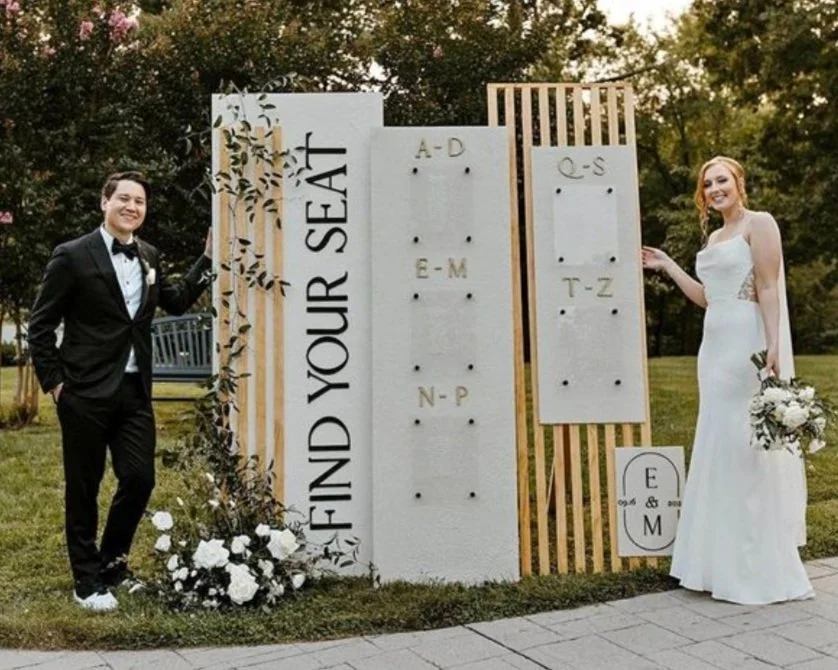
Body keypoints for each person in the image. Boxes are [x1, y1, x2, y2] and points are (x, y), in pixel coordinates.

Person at [28, 171, 212, 611]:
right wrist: (55, 384)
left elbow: (176, 299)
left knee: (139, 478)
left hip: (133, 392)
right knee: (84, 487)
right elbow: (40, 324)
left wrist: (207, 261)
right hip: (84, 393)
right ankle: (86, 582)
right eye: (124, 199)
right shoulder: (72, 256)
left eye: (140, 202)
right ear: (104, 202)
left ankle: (113, 564)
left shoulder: (148, 253)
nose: (133, 207)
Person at [642, 156, 812, 605]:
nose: (716, 188)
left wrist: (773, 344)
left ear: (739, 182)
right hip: (713, 349)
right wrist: (668, 266)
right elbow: (708, 298)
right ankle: (713, 564)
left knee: (745, 447)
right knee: (716, 442)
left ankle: (754, 566)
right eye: (708, 183)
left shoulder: (760, 223)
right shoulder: (715, 236)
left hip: (745, 344)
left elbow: (769, 286)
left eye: (723, 180)